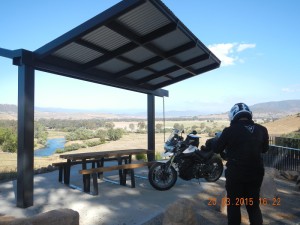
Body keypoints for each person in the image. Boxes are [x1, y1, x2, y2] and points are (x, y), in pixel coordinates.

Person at [214, 103, 269, 225]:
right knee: (253, 206)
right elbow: (265, 149)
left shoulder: (229, 131)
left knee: (234, 205)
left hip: (236, 173)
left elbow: (217, 149)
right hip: (256, 173)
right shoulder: (262, 129)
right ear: (249, 114)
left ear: (233, 116)